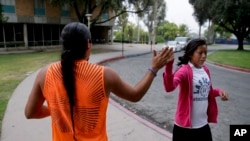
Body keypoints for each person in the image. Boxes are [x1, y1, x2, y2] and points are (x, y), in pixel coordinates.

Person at [24, 22, 174, 141]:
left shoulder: (45, 74)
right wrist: (154, 68)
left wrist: (59, 110)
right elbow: (135, 95)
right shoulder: (104, 75)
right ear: (88, 44)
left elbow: (30, 113)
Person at [163, 38, 228, 141]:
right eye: (200, 53)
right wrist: (168, 66)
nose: (204, 56)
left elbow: (207, 92)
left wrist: (219, 92)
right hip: (185, 128)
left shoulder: (205, 70)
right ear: (190, 54)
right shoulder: (184, 70)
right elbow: (169, 87)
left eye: (205, 53)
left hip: (203, 125)